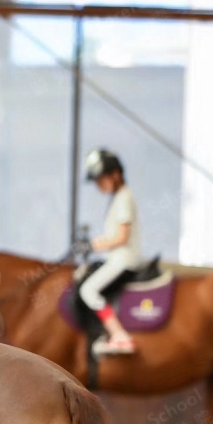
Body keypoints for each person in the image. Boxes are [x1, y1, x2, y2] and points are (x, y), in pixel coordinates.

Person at [81, 148, 143, 355]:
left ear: (116, 174)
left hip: (123, 260)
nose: (99, 185)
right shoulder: (118, 197)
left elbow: (122, 237)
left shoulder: (124, 197)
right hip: (116, 258)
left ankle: (120, 335)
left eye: (101, 180)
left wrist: (96, 245)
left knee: (88, 290)